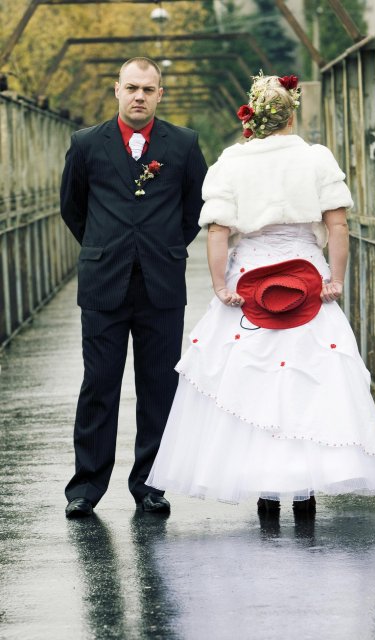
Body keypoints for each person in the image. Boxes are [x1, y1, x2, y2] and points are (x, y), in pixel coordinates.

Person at [146, 72, 375, 514]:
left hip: (250, 278)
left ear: (250, 118)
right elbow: (338, 226)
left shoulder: (231, 163)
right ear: (291, 116)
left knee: (251, 381)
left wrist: (222, 286)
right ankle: (306, 492)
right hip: (307, 277)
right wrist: (335, 280)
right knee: (310, 379)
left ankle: (265, 494)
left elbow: (218, 232)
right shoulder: (316, 159)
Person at [61, 57, 207, 518]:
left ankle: (150, 485)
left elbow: (195, 208)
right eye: (131, 87)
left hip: (161, 283)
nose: (139, 96)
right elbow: (72, 207)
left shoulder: (184, 143)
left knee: (159, 386)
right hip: (103, 282)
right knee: (98, 385)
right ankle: (86, 487)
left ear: (160, 94)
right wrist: (104, 247)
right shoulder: (86, 143)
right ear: (117, 90)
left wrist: (164, 247)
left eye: (148, 89)